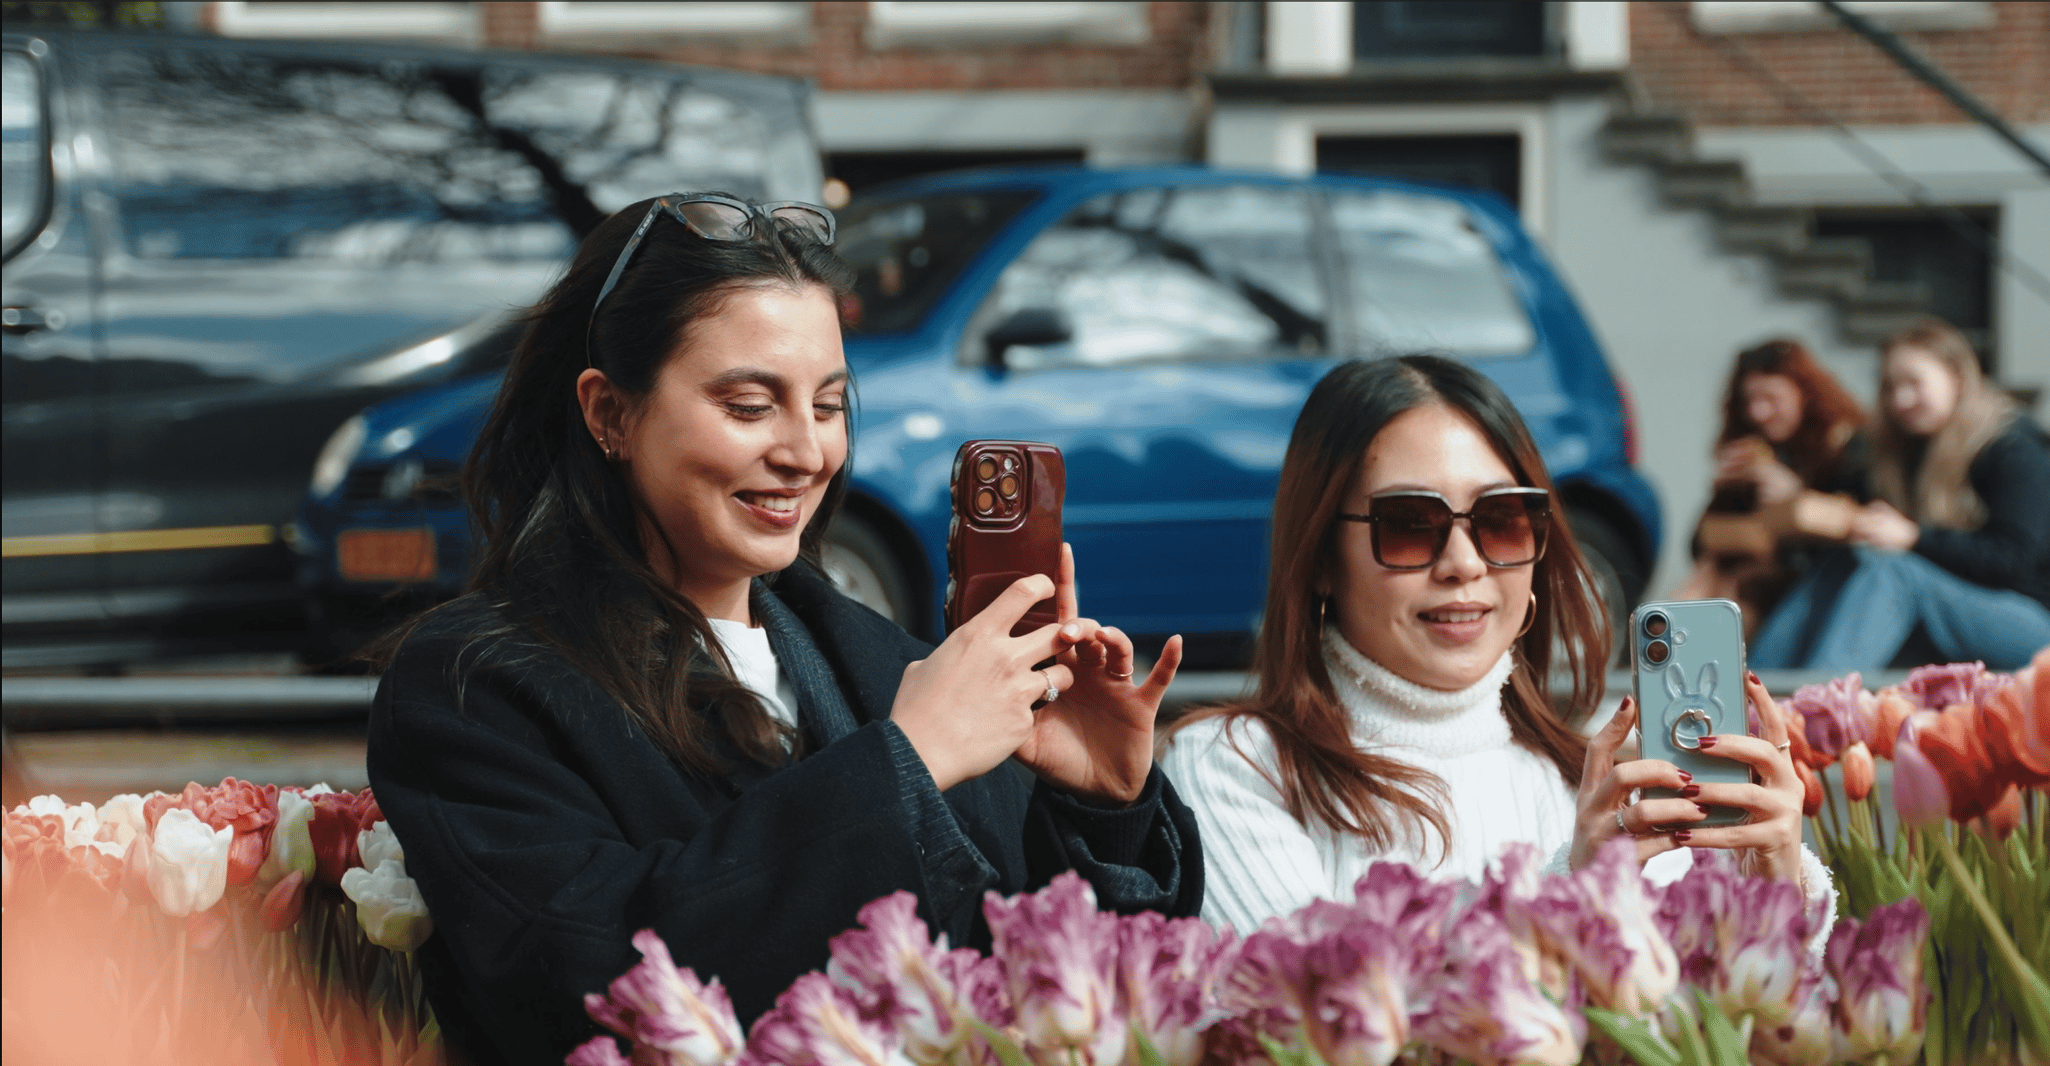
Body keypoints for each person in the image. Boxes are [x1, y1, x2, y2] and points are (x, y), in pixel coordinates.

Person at [365, 194, 1202, 1066]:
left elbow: (1073, 1004)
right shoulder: (474, 686)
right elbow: (596, 985)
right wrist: (904, 766)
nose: (806, 452)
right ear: (610, 413)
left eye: (829, 405)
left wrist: (1102, 807)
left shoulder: (891, 665)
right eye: (750, 405)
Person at [1158, 355, 1829, 935]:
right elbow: (1316, 1022)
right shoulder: (1235, 766)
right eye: (1410, 525)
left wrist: (1772, 894)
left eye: (1501, 520)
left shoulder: (1595, 782)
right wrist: (1572, 898)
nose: (1464, 563)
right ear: (1322, 559)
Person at [1751, 318, 2050, 670]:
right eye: (1891, 387)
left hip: (2032, 619)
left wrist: (1914, 537)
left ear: (1956, 376)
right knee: (1849, 558)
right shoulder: (1902, 451)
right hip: (1958, 602)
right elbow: (1851, 505)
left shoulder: (2012, 447)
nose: (1901, 399)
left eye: (1913, 383)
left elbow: (2013, 558)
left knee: (1895, 572)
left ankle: (1821, 710)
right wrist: (1797, 497)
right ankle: (1757, 695)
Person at [1676, 339, 1869, 629]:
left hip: (1822, 588)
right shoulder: (1756, 450)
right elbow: (1697, 544)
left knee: (1729, 590)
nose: (1758, 413)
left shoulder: (1846, 445)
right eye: (1750, 402)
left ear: (1804, 393)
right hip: (1755, 589)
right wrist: (1724, 494)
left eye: (1771, 399)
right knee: (1711, 575)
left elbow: (1862, 529)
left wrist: (1795, 496)